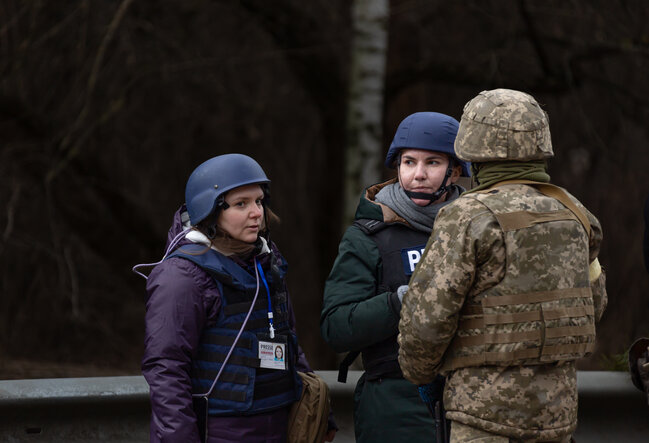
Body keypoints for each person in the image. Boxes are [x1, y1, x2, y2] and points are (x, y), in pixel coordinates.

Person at [398, 88, 608, 442]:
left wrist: (418, 373)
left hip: (483, 418)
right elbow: (595, 306)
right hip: (556, 417)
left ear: (473, 148)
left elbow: (428, 322)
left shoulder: (466, 216)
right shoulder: (576, 213)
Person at [137, 153, 336, 443]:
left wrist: (318, 408)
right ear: (210, 210)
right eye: (241, 204)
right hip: (220, 431)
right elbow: (166, 369)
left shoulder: (266, 263)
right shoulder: (182, 276)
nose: (257, 212)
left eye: (258, 201)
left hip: (279, 426)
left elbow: (286, 339)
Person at [321, 112, 470, 442]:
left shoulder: (477, 232)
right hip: (394, 406)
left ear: (455, 170)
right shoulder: (368, 237)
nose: (418, 174)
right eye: (408, 162)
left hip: (472, 403)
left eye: (432, 162)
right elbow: (336, 327)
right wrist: (402, 301)